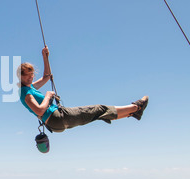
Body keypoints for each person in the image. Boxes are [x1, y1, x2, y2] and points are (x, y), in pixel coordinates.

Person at [18, 46, 148, 133]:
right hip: (57, 117)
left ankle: (133, 112)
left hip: (55, 122)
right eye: (27, 76)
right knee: (98, 109)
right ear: (20, 77)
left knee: (96, 114)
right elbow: (39, 110)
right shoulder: (25, 92)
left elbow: (46, 77)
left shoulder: (30, 88)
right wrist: (47, 96)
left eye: (32, 75)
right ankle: (137, 107)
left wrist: (45, 57)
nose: (31, 78)